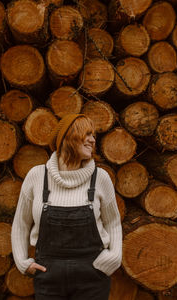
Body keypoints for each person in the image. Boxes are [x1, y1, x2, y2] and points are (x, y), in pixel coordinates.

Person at [11, 113, 122, 300]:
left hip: (92, 275)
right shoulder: (37, 176)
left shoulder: (100, 177)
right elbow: (21, 224)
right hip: (48, 276)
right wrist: (23, 262)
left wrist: (114, 257)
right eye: (86, 134)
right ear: (67, 137)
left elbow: (114, 223)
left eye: (93, 135)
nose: (92, 140)